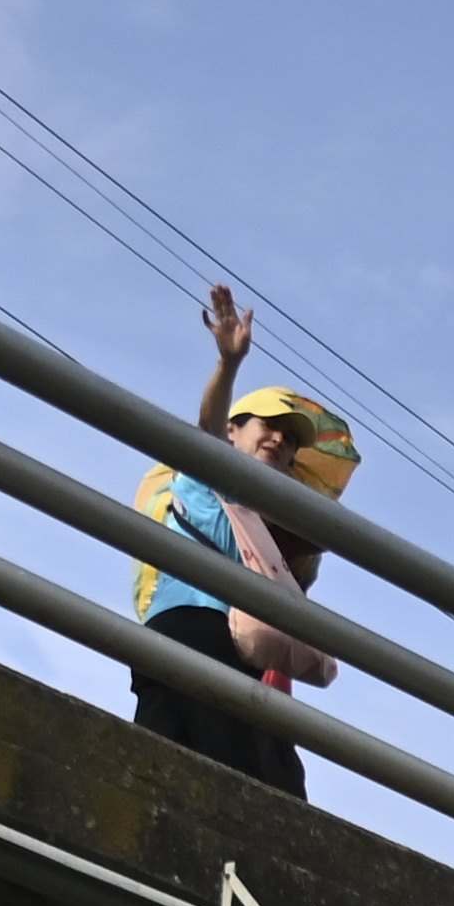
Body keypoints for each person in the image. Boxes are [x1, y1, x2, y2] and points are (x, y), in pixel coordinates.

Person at [129, 285, 353, 788]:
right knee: (248, 781)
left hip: (209, 641)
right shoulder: (209, 475)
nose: (280, 439)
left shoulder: (254, 517)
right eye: (268, 425)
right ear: (235, 431)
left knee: (160, 768)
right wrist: (228, 365)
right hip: (196, 629)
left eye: (291, 438)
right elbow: (206, 429)